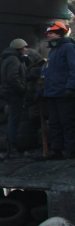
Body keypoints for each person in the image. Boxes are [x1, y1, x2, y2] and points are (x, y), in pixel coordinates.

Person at [43, 21, 75, 159]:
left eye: (51, 32)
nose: (48, 35)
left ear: (59, 33)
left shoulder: (68, 48)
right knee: (54, 123)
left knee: (67, 122)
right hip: (52, 92)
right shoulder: (52, 51)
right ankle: (57, 150)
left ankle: (71, 151)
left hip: (63, 93)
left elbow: (73, 69)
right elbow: (48, 71)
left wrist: (70, 87)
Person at [0, 39, 29, 158]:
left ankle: (11, 148)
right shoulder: (14, 59)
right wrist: (23, 88)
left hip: (8, 93)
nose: (26, 49)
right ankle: (12, 149)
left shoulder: (6, 59)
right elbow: (13, 77)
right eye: (24, 47)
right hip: (14, 93)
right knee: (14, 121)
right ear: (18, 48)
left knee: (12, 119)